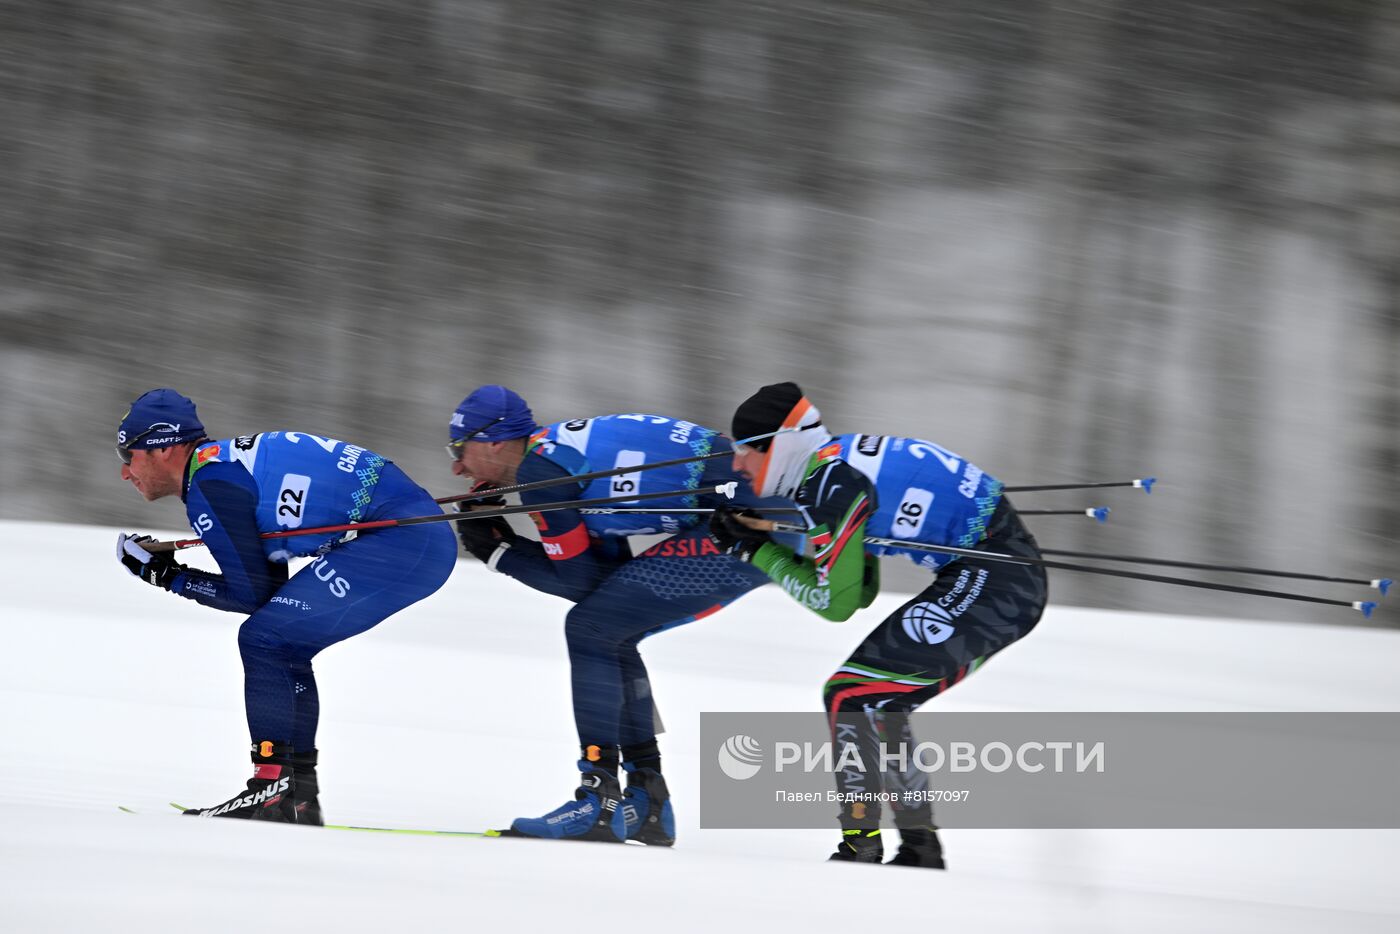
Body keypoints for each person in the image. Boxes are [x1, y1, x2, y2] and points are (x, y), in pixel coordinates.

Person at [709, 382, 1048, 868]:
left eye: (746, 453)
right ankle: (917, 845)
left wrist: (755, 550)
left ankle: (865, 844)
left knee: (852, 695)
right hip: (997, 568)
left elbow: (835, 601)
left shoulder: (829, 485)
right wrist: (775, 537)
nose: (738, 466)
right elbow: (861, 588)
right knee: (872, 697)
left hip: (998, 580)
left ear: (777, 447)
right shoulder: (831, 466)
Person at [445, 385, 785, 845]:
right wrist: (505, 546)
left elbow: (580, 585)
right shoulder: (553, 454)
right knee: (608, 627)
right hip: (766, 512)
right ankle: (646, 800)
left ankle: (598, 800)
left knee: (592, 626)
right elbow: (600, 584)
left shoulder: (541, 471)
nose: (457, 467)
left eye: (459, 450)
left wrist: (501, 552)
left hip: (752, 522)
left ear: (494, 443)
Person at [115, 388, 457, 824]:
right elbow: (266, 588)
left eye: (128, 454)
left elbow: (251, 595)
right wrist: (173, 573)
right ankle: (296, 795)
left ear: (163, 448)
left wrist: (166, 576)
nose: (125, 472)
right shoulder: (219, 469)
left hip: (401, 542)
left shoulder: (212, 484)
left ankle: (272, 788)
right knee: (281, 643)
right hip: (410, 536)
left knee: (263, 639)